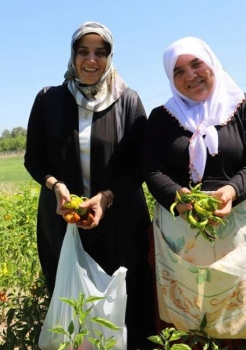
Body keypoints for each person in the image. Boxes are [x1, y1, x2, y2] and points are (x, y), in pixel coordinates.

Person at [144, 37, 246, 349]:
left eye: (196, 64)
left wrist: (231, 191)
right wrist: (180, 198)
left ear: (212, 63)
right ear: (171, 80)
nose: (190, 75)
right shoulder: (162, 118)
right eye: (179, 71)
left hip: (244, 231)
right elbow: (152, 170)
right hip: (183, 234)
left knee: (245, 315)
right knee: (190, 316)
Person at [24, 21, 155, 349]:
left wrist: (105, 198)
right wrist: (57, 187)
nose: (91, 60)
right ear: (73, 56)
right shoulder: (48, 100)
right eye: (83, 52)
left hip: (120, 221)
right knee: (72, 305)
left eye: (100, 52)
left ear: (110, 57)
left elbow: (140, 164)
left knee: (122, 305)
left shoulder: (128, 100)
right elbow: (33, 158)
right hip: (63, 221)